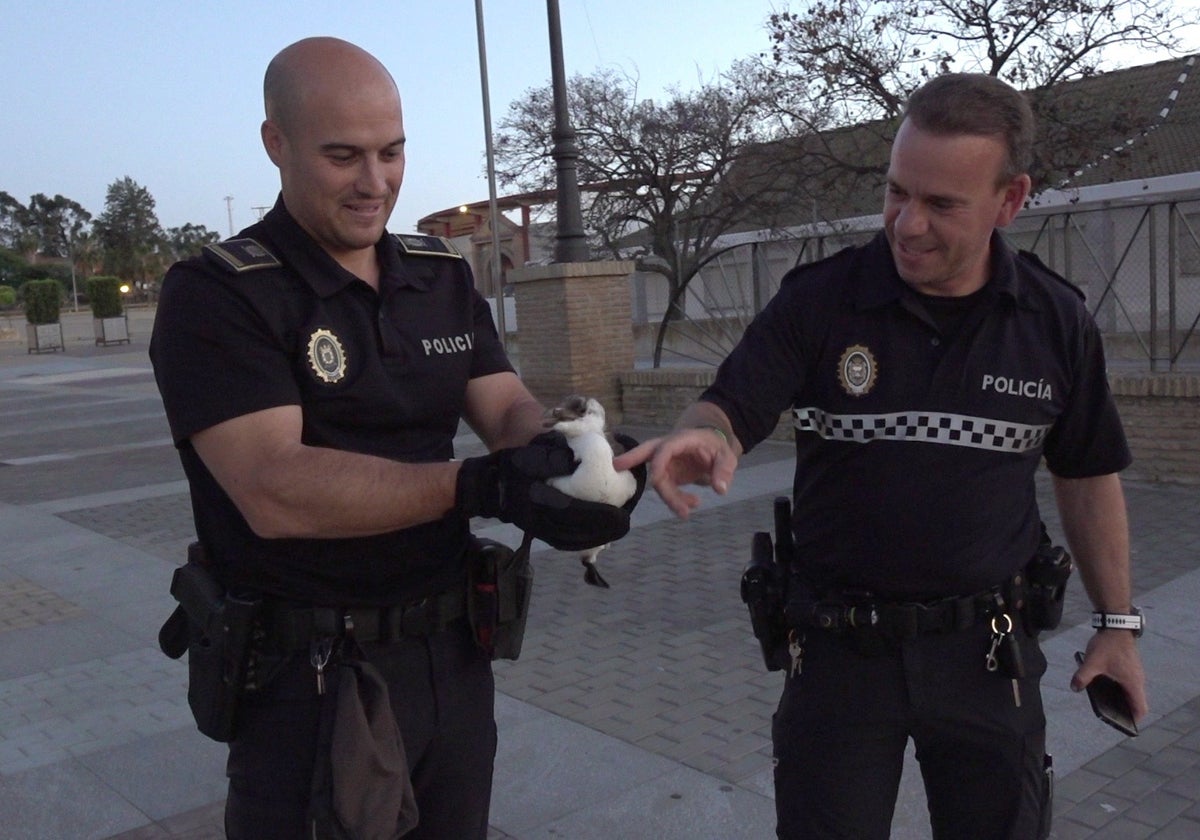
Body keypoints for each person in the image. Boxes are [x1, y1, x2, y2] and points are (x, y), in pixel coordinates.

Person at [615, 73, 1148, 839]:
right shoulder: (821, 299)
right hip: (839, 657)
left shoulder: (1053, 320)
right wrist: (709, 432)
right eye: (898, 192)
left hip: (987, 657)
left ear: (1010, 200)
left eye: (941, 204)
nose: (907, 223)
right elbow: (732, 402)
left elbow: (1088, 473)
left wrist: (1119, 627)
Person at [150, 36, 637, 839]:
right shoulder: (219, 294)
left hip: (452, 658)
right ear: (276, 143)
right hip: (307, 678)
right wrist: (480, 487)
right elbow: (272, 486)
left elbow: (506, 404)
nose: (375, 183)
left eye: (392, 151)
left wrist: (581, 459)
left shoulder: (436, 274)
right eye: (343, 156)